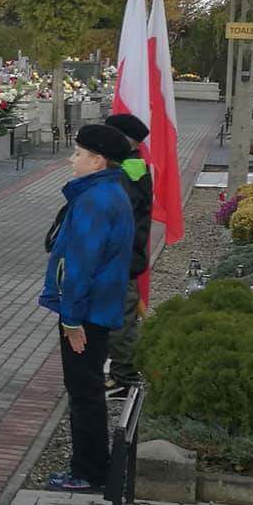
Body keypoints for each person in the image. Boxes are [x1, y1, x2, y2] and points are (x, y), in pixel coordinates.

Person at [39, 124, 136, 493]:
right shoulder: (106, 191)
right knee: (86, 387)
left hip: (88, 313)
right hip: (96, 308)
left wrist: (72, 319)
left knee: (84, 390)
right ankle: (92, 465)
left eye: (78, 154)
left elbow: (80, 266)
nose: (71, 159)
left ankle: (90, 471)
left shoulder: (96, 200)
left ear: (98, 161)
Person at [102, 111, 155, 398]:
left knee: (120, 320)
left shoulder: (129, 173)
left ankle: (124, 377)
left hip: (121, 260)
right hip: (122, 258)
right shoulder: (128, 168)